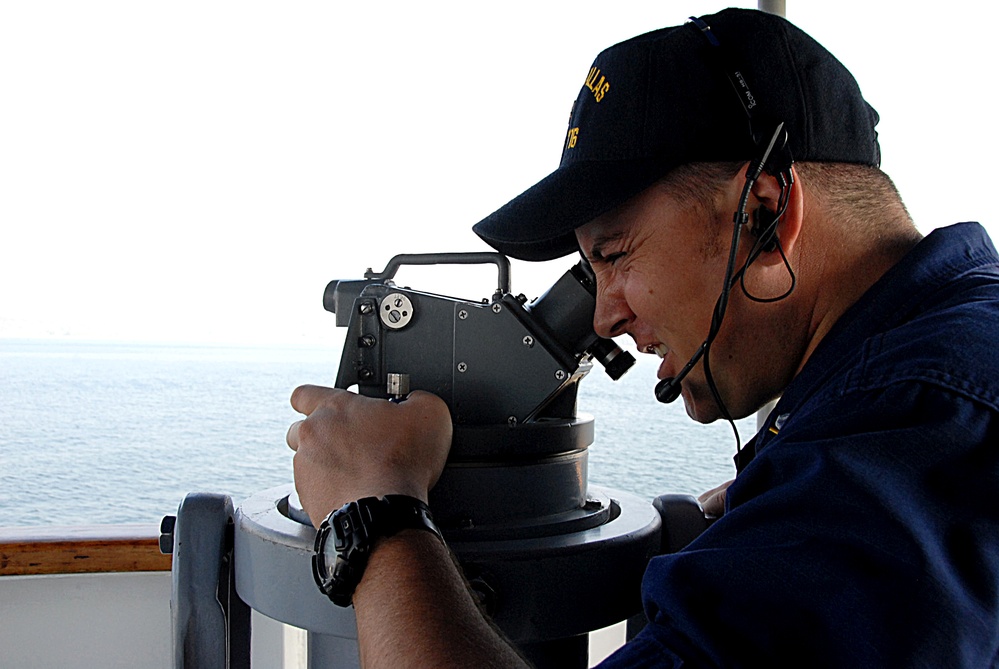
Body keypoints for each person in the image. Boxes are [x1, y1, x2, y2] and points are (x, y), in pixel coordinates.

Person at [287, 8, 999, 667]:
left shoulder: (897, 442)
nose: (604, 319)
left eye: (615, 255)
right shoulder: (939, 375)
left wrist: (374, 514)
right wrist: (776, 506)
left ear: (764, 214)